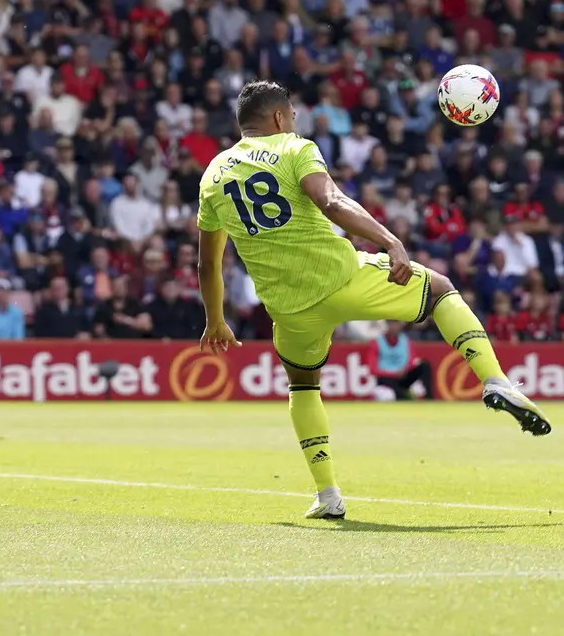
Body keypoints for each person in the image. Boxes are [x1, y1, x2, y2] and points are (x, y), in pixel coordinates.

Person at [195, 81, 550, 522]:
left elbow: (208, 265)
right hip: (343, 277)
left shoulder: (212, 174)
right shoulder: (293, 146)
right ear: (280, 118)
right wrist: (390, 240)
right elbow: (332, 201)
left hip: (288, 308)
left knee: (303, 386)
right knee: (439, 289)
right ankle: (495, 380)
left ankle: (328, 495)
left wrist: (215, 320)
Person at [368, 322, 433, 401]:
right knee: (387, 388)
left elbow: (412, 360)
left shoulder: (406, 340)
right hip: (386, 378)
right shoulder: (376, 342)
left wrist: (405, 369)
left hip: (403, 376)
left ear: (400, 325)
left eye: (395, 323)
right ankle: (406, 396)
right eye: (391, 323)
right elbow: (373, 369)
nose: (393, 326)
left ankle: (429, 398)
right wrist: (394, 373)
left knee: (425, 365)